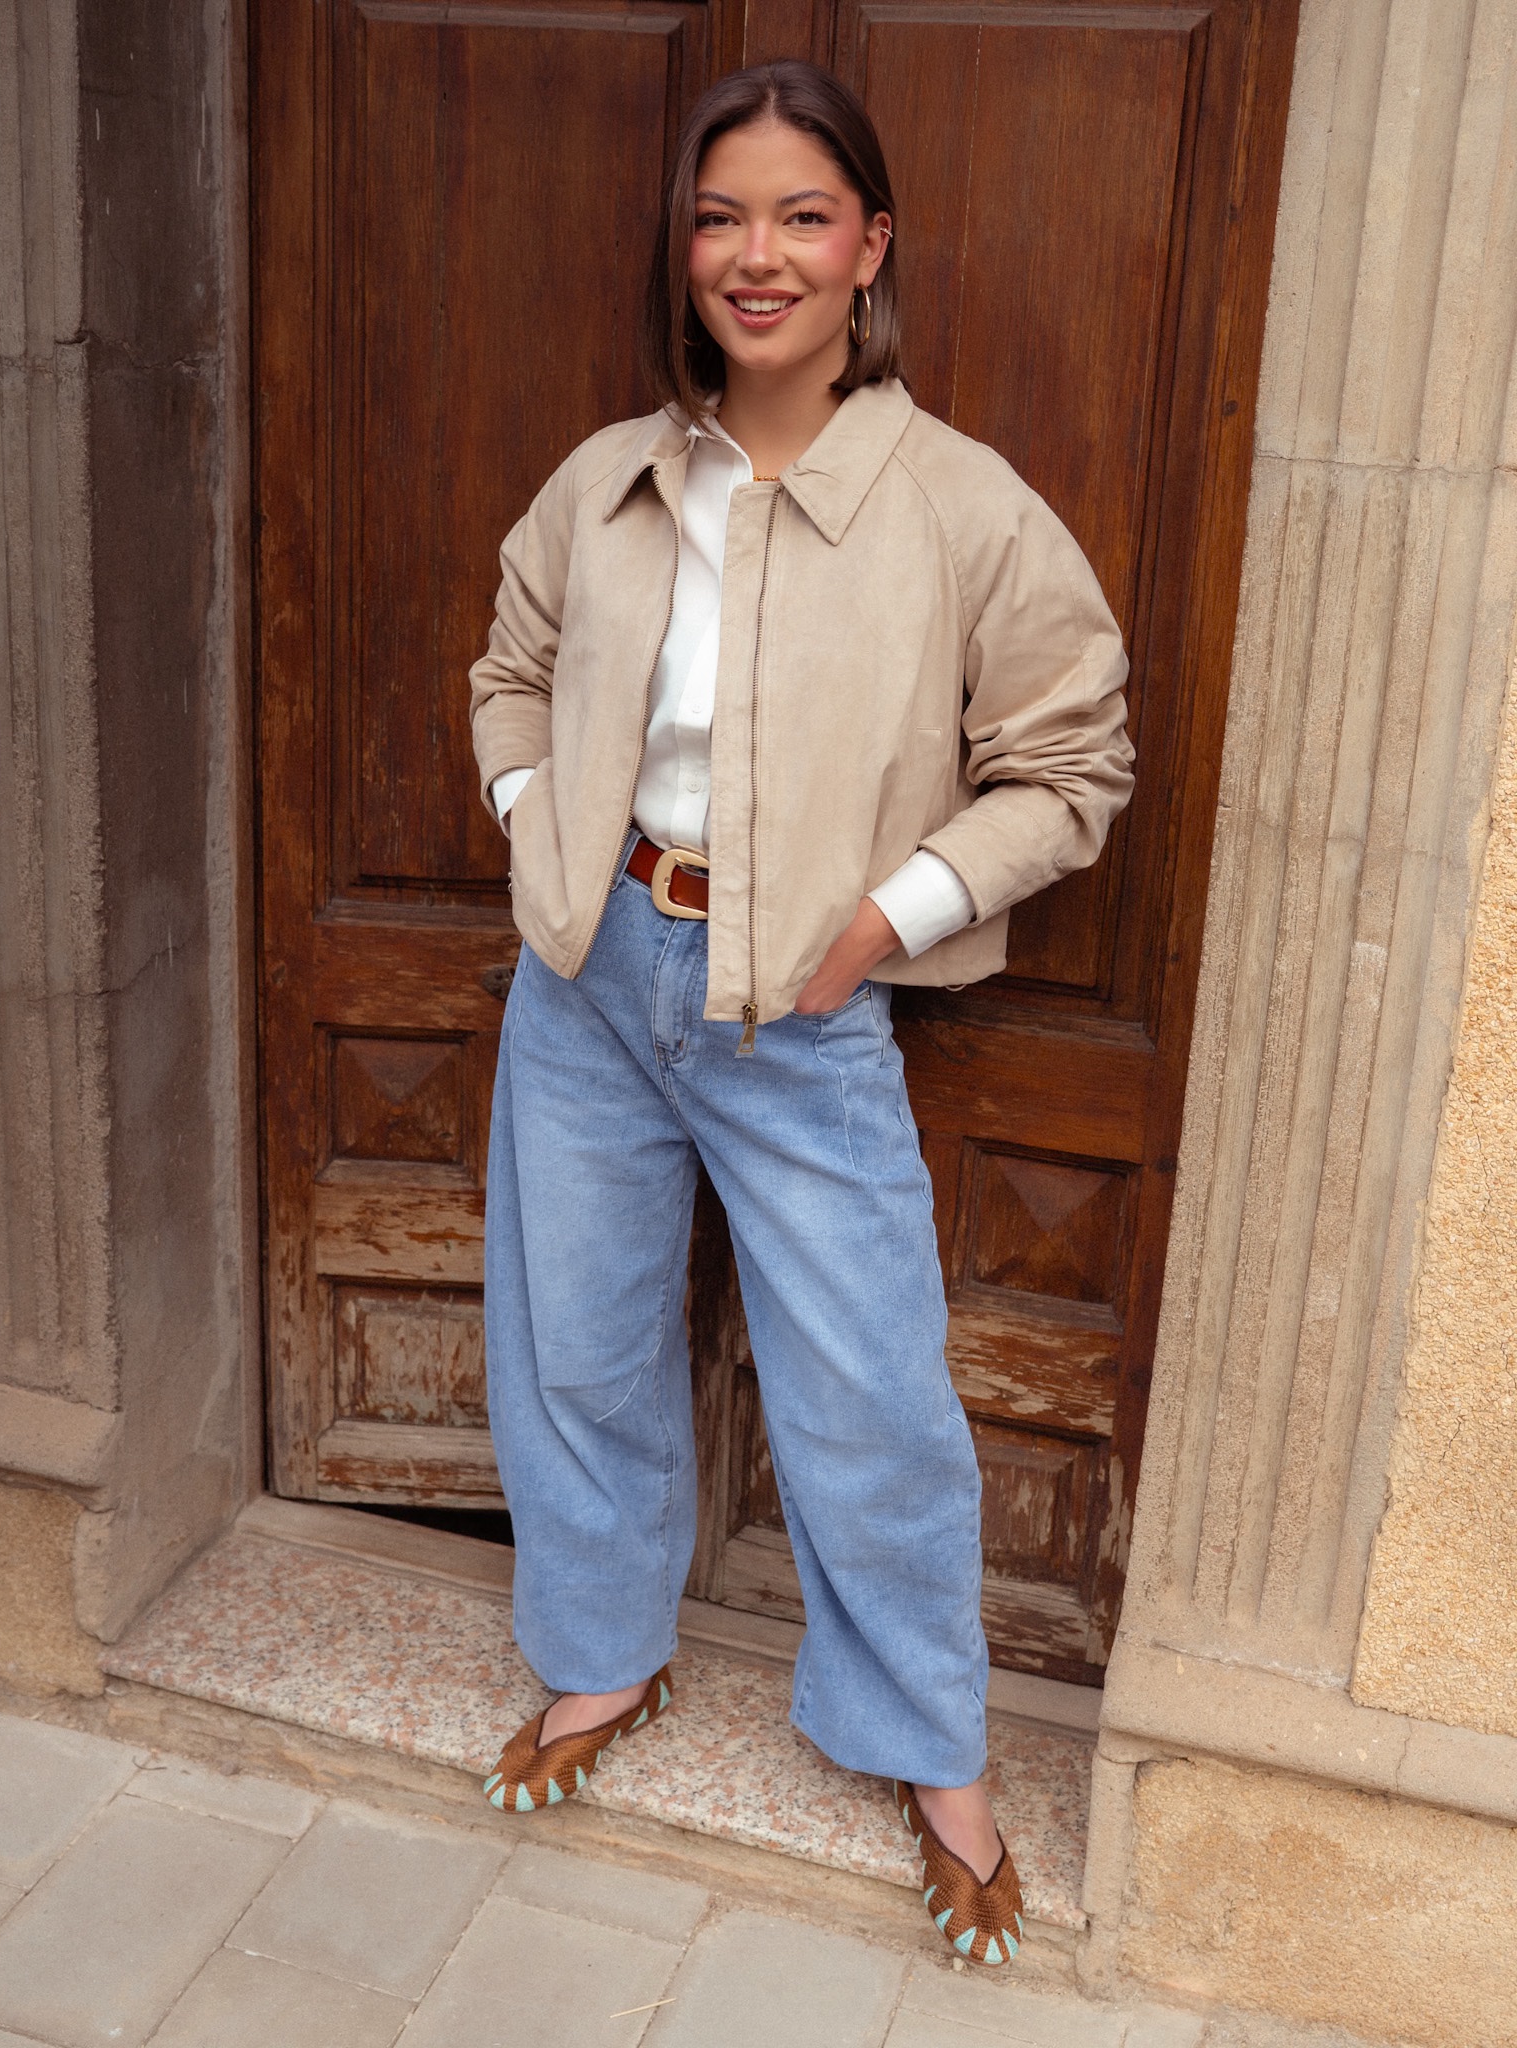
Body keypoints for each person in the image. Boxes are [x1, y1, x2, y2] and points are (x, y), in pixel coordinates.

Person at [469, 59, 1133, 1967]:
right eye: (719, 217)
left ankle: (930, 1748)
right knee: (575, 1340)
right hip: (592, 974)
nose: (755, 256)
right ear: (684, 249)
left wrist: (880, 925)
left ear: (870, 248)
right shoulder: (610, 479)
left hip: (803, 1006)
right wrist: (538, 835)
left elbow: (1072, 762)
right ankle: (602, 1654)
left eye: (801, 216)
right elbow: (511, 665)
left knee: (869, 1396)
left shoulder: (960, 508)